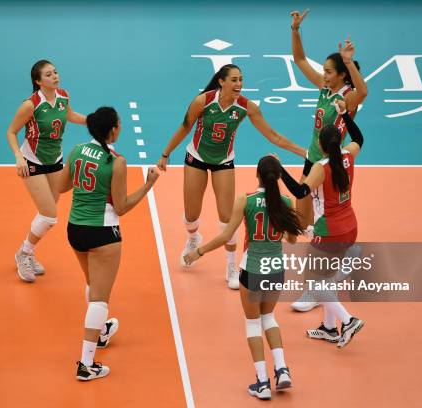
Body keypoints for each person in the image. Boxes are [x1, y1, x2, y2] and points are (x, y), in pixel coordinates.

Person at [157, 64, 306, 290]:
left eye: (241, 80)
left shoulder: (247, 108)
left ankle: (231, 266)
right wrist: (165, 155)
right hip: (196, 157)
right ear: (222, 82)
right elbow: (185, 127)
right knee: (191, 216)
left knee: (227, 219)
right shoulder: (203, 102)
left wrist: (305, 153)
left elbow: (274, 136)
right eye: (234, 80)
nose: (239, 84)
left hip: (223, 162)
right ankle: (194, 238)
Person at [184, 155, 304, 399]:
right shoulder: (286, 202)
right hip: (276, 268)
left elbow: (227, 235)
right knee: (268, 317)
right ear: (279, 177)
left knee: (252, 323)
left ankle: (261, 382)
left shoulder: (246, 200)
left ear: (257, 175)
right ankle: (282, 370)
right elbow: (292, 239)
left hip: (252, 269)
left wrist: (198, 251)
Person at [60, 106, 160, 380]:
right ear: (112, 130)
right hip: (103, 233)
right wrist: (148, 185)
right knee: (99, 300)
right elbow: (123, 206)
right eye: (119, 124)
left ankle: (102, 331)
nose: (121, 127)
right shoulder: (116, 161)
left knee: (93, 283)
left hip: (75, 229)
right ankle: (86, 364)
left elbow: (61, 186)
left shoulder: (77, 150)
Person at [290, 9, 368, 311]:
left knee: (321, 224)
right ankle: (344, 256)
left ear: (341, 75)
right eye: (323, 70)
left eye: (328, 71)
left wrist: (348, 60)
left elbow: (364, 91)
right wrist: (295, 30)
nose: (323, 74)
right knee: (304, 220)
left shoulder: (347, 96)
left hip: (330, 167)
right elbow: (299, 60)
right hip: (313, 161)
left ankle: (314, 289)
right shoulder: (325, 89)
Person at [280, 100, 365, 348]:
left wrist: (279, 170)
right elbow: (359, 136)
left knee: (314, 283)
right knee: (326, 279)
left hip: (328, 230)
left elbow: (299, 191)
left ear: (320, 145)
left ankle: (347, 320)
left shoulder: (321, 167)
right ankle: (329, 328)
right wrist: (345, 116)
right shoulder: (349, 155)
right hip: (350, 225)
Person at [6, 60, 87, 282]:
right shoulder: (30, 105)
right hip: (32, 161)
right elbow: (11, 132)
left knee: (49, 210)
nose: (55, 76)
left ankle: (26, 252)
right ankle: (24, 253)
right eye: (49, 74)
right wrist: (19, 158)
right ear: (38, 81)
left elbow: (70, 116)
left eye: (56, 72)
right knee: (50, 216)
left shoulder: (63, 96)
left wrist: (92, 121)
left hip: (55, 160)